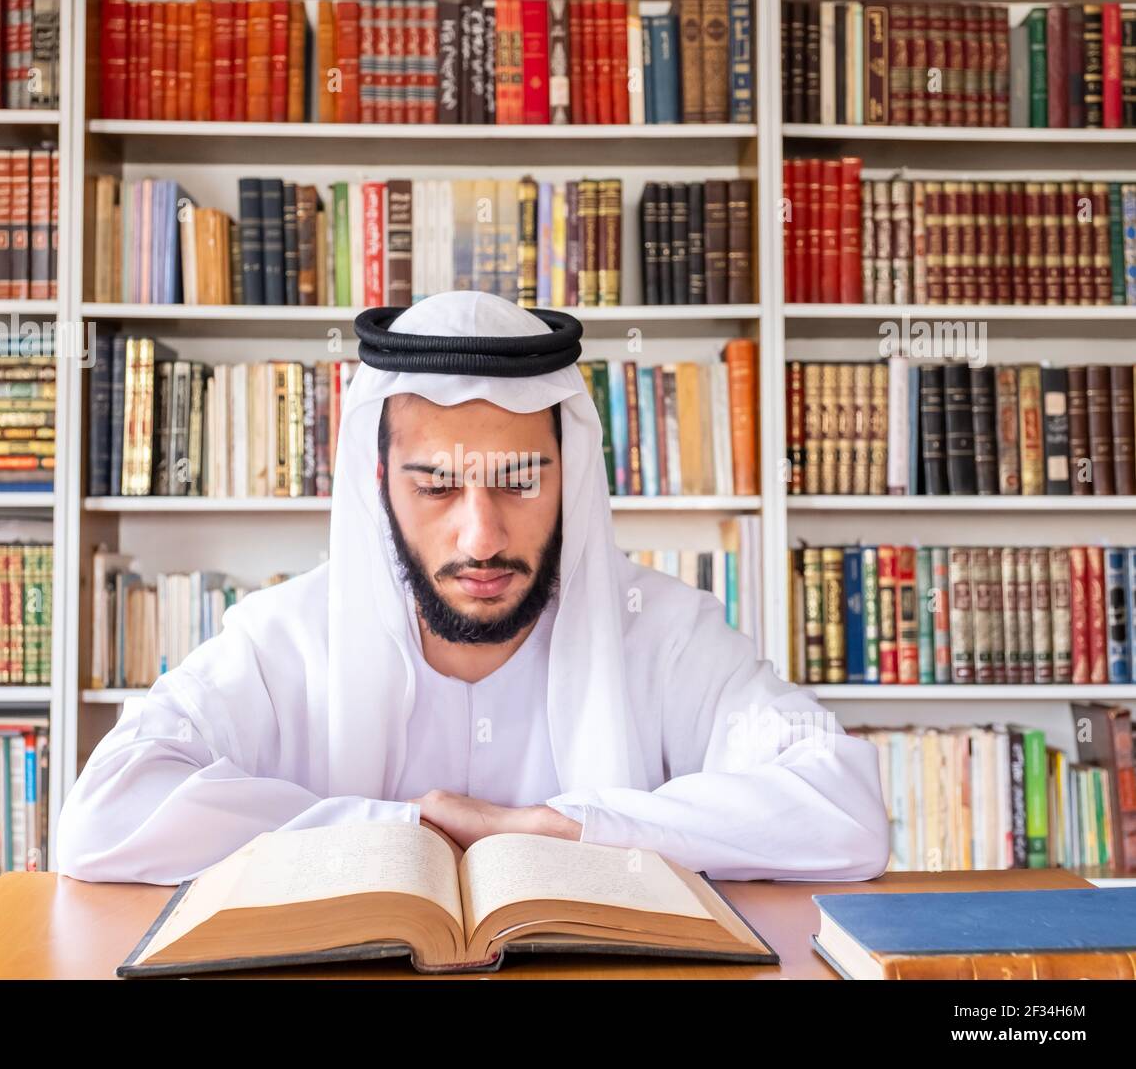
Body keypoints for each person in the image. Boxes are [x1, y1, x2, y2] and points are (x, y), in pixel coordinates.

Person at [56, 290, 890, 885]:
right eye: (438, 486)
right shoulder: (286, 639)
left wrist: (560, 832)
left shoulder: (664, 633)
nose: (481, 537)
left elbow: (844, 808)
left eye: (521, 481)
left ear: (572, 478)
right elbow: (105, 817)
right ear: (379, 481)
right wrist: (400, 834)